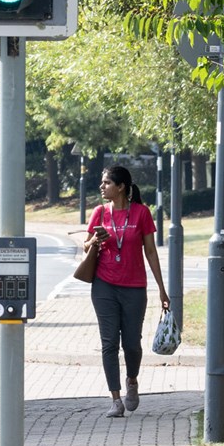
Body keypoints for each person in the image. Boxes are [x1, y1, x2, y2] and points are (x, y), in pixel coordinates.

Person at [84, 164, 169, 418]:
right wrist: (94, 241)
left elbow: (151, 252)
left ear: (121, 187)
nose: (102, 187)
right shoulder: (99, 213)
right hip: (104, 286)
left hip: (134, 287)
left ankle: (132, 379)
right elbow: (85, 245)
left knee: (132, 344)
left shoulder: (141, 213)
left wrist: (162, 290)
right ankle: (115, 400)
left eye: (107, 183)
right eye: (102, 182)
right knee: (109, 344)